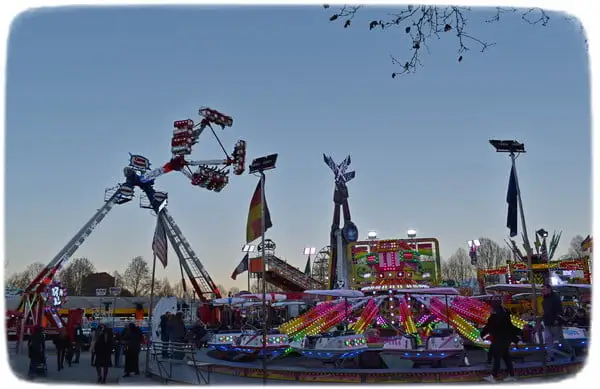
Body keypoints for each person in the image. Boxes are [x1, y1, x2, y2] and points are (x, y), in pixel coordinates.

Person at [480, 300, 518, 383]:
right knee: (506, 357)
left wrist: (482, 334)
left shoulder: (495, 314)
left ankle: (494, 376)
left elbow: (489, 326)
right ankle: (512, 375)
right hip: (506, 338)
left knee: (497, 356)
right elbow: (510, 325)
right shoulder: (505, 312)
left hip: (499, 338)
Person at [542, 283, 575, 361]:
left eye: (544, 289)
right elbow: (546, 311)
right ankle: (551, 356)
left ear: (549, 289)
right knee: (548, 339)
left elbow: (559, 310)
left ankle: (570, 351)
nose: (543, 291)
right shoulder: (545, 299)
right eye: (542, 289)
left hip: (555, 322)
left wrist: (557, 319)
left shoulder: (555, 298)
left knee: (560, 339)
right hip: (547, 322)